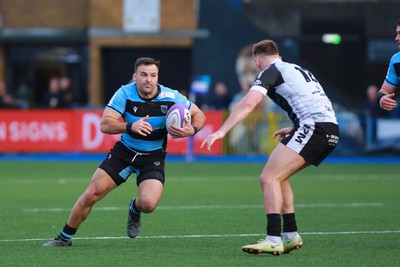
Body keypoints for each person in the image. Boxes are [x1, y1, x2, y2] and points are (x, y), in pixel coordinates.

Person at [42, 57, 206, 247]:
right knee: (91, 194)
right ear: (135, 76)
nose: (148, 80)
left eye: (153, 75)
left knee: (148, 204)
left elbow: (199, 114)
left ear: (157, 77)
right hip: (124, 152)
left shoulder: (171, 97)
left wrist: (192, 130)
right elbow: (105, 124)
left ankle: (134, 208)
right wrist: (130, 126)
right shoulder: (124, 93)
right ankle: (63, 238)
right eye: (143, 75)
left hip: (153, 156)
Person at [201, 40, 339, 256]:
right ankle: (291, 235)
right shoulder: (297, 69)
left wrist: (222, 131)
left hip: (314, 129)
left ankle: (273, 239)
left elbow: (248, 104)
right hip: (327, 129)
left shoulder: (270, 71)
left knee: (268, 178)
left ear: (257, 62)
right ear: (278, 54)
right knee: (278, 177)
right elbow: (316, 102)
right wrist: (294, 127)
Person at [377, 19, 400, 114]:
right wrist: (382, 99)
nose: (397, 38)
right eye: (397, 33)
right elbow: (384, 91)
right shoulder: (396, 60)